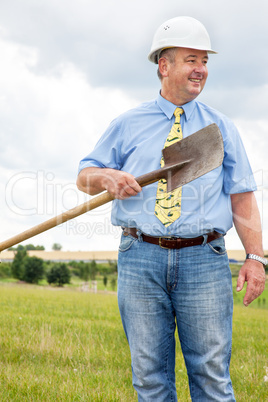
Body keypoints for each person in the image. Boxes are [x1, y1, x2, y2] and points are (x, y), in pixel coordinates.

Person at [76, 16, 266, 401]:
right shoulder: (128, 124)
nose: (201, 70)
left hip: (205, 258)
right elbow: (84, 175)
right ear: (164, 66)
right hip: (140, 255)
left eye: (205, 62)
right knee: (149, 377)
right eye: (192, 60)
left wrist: (255, 257)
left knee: (212, 376)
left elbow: (242, 196)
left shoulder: (220, 128)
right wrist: (107, 177)